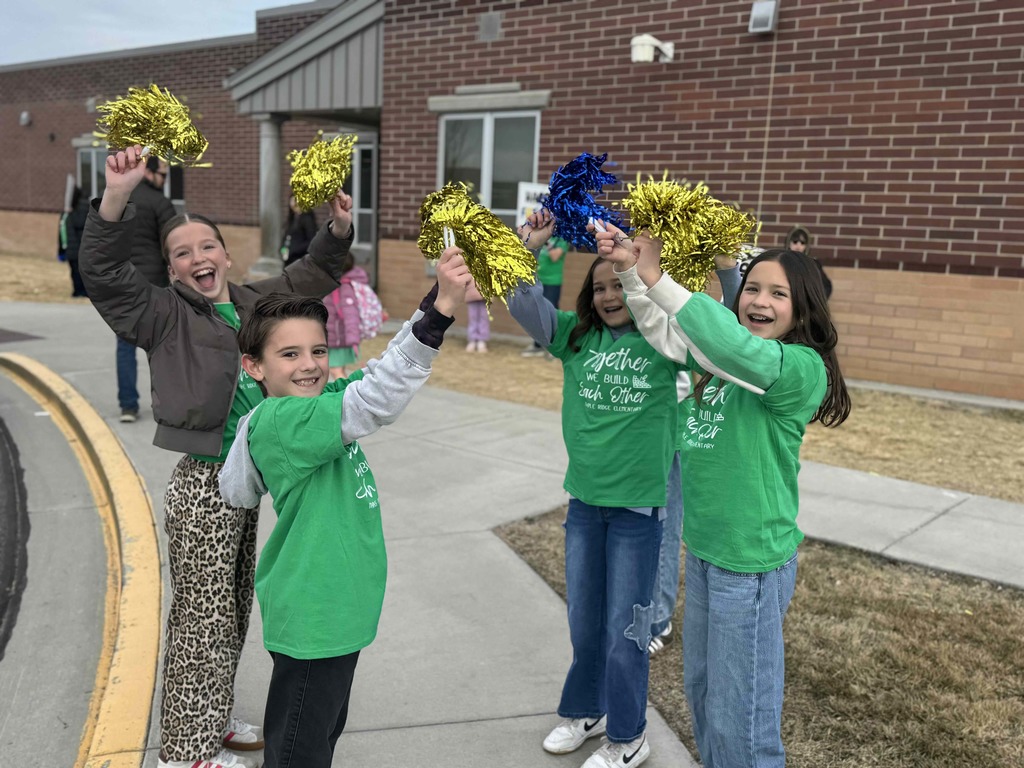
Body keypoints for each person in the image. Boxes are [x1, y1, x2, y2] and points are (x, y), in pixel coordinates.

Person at [79, 144, 355, 768]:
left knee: (229, 611)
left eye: (207, 247)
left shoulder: (257, 301)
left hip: (247, 480)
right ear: (172, 270)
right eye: (182, 253)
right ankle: (185, 751)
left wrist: (337, 227)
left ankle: (212, 716)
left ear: (227, 256)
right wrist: (117, 195)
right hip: (203, 482)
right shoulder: (161, 313)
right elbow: (100, 272)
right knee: (198, 623)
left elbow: (312, 275)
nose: (197, 258)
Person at [596, 223, 851, 768]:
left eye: (778, 293)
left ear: (803, 310)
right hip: (709, 555)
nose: (759, 300)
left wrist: (658, 275)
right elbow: (670, 334)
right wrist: (628, 272)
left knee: (744, 721)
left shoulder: (798, 370)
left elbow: (733, 346)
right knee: (706, 698)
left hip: (752, 566)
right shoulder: (720, 367)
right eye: (752, 288)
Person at [218, 251, 470, 768]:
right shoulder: (283, 421)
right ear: (254, 366)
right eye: (288, 354)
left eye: (318, 349)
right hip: (315, 617)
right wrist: (442, 311)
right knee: (298, 755)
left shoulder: (315, 404)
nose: (309, 364)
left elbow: (374, 374)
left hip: (336, 613)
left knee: (318, 742)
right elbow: (375, 398)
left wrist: (433, 301)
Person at [507, 210, 687, 768]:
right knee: (585, 622)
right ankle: (588, 709)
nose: (610, 295)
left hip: (638, 513)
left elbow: (696, 322)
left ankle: (629, 736)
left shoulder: (665, 343)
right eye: (600, 286)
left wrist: (648, 268)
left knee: (625, 630)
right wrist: (528, 246)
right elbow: (521, 302)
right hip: (585, 505)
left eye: (619, 284)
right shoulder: (574, 336)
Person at [649, 259, 742, 657]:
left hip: (677, 435)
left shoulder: (703, 312)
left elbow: (734, 326)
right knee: (648, 526)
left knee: (667, 526)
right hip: (641, 433)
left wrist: (729, 273)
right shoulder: (650, 301)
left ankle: (659, 617)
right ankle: (643, 608)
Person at [111, 155, 176, 422]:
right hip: (153, 286)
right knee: (159, 347)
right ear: (148, 172)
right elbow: (173, 245)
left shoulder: (119, 201)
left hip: (123, 285)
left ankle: (128, 406)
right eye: (163, 174)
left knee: (124, 346)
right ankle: (165, 406)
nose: (165, 179)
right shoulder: (161, 204)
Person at [521, 232, 569, 356]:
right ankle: (537, 345)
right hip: (538, 280)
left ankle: (554, 347)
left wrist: (546, 242)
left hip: (553, 281)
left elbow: (554, 256)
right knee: (537, 312)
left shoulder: (561, 239)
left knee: (551, 313)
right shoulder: (542, 238)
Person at [324, 263, 370, 379]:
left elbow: (351, 315)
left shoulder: (344, 287)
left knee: (336, 370)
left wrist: (353, 340)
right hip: (336, 338)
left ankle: (347, 396)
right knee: (339, 369)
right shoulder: (338, 284)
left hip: (339, 340)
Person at [60, 185, 91, 297]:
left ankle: (79, 291)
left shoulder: (73, 211)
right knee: (81, 271)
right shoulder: (85, 208)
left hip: (74, 248)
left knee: (76, 271)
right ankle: (81, 291)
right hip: (80, 247)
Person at [785, 225, 832, 298]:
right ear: (789, 243)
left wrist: (815, 303)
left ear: (806, 246)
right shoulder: (781, 261)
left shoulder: (813, 264)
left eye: (802, 242)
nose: (798, 245)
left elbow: (826, 286)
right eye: (795, 241)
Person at [281, 194, 319, 268]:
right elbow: (286, 237)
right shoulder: (292, 219)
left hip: (300, 259)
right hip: (289, 260)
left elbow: (311, 240)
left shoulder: (307, 219)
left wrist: (294, 250)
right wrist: (282, 249)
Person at [464, 280, 489, 352]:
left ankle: (481, 339)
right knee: (473, 318)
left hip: (485, 295)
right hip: (471, 295)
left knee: (483, 318)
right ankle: (472, 339)